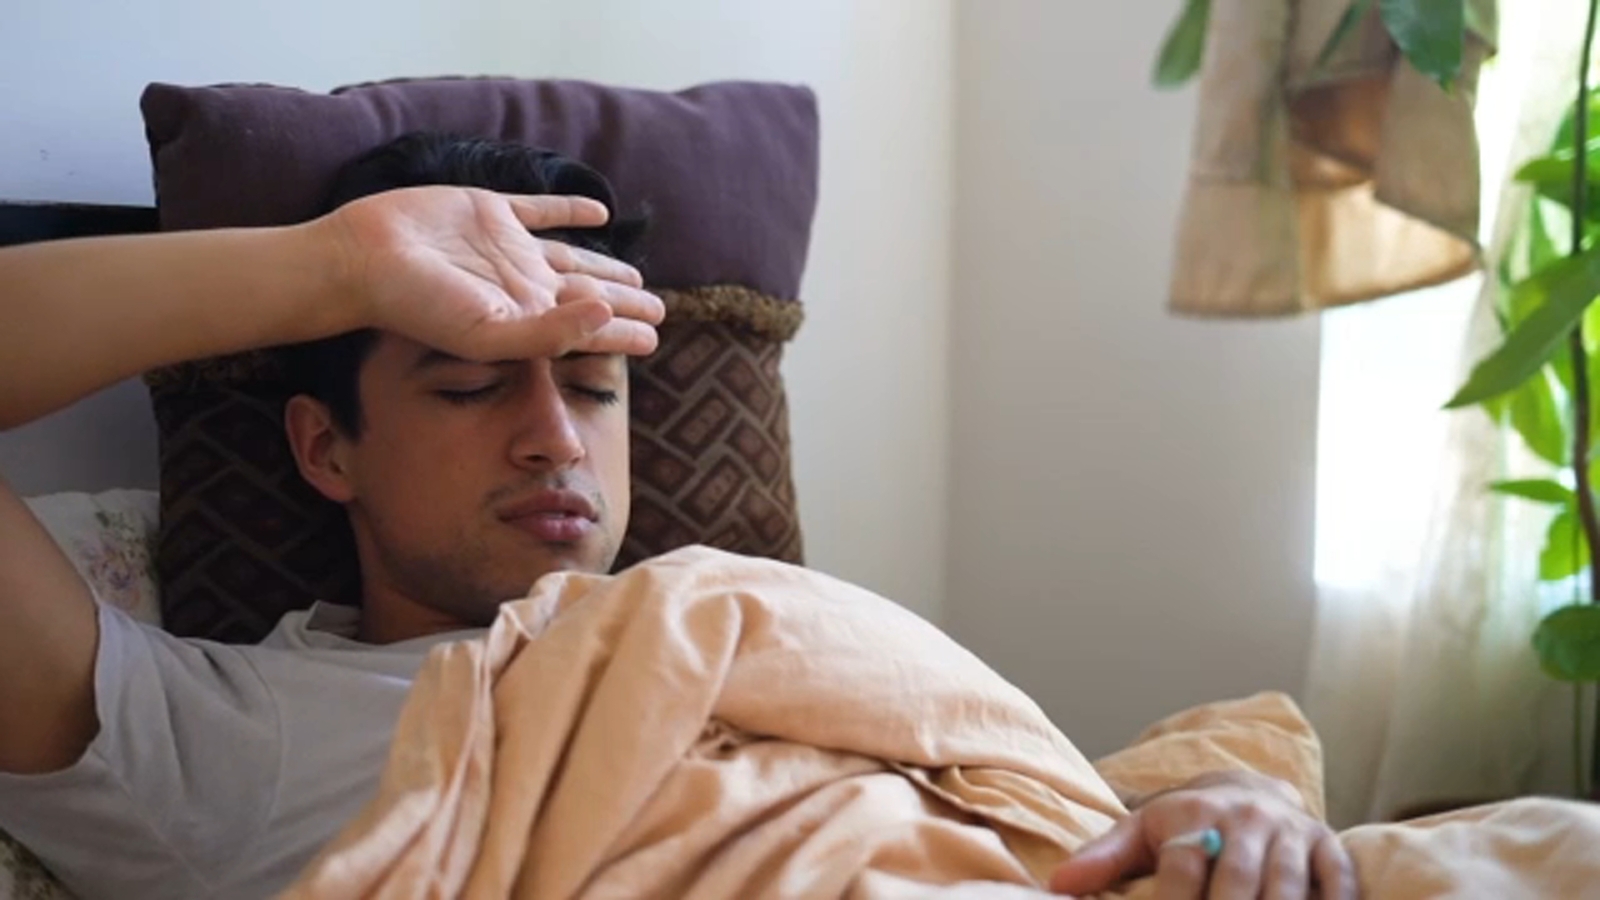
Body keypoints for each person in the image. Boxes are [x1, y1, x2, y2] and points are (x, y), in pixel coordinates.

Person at [0, 134, 1354, 900]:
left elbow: (1041, 799)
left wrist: (1226, 807)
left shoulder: (746, 639)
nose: (554, 435)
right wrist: (335, 268)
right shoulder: (216, 738)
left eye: (595, 388)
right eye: (471, 384)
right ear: (324, 447)